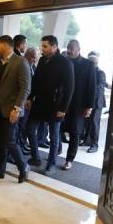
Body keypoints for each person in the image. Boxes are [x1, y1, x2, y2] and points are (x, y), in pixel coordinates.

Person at [0, 36, 31, 183]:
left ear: (5, 45)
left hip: (11, 110)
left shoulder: (21, 62)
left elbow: (25, 88)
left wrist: (17, 108)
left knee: (9, 141)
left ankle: (23, 166)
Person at [26, 35, 74, 175]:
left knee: (54, 137)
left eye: (45, 46)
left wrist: (63, 109)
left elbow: (70, 88)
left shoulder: (65, 63)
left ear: (54, 47)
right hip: (39, 103)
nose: (42, 49)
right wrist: (30, 97)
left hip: (55, 105)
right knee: (29, 129)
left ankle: (51, 164)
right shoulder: (42, 60)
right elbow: (36, 80)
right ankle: (36, 157)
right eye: (42, 46)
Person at [61, 40, 96, 170]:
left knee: (75, 133)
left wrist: (89, 106)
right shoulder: (64, 62)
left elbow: (92, 86)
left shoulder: (88, 64)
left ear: (79, 49)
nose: (69, 51)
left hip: (78, 104)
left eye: (72, 48)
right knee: (57, 129)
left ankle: (69, 159)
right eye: (68, 48)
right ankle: (56, 152)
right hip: (63, 102)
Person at [84, 52, 109, 153]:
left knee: (94, 123)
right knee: (87, 122)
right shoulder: (89, 71)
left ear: (93, 63)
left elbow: (98, 90)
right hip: (89, 101)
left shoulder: (100, 73)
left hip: (97, 102)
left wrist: (91, 104)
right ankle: (87, 141)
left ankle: (95, 144)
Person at [19, 47, 39, 154]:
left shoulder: (32, 66)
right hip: (23, 101)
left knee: (25, 125)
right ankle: (19, 147)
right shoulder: (22, 65)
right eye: (34, 57)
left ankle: (22, 145)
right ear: (28, 56)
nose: (35, 60)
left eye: (36, 57)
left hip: (29, 101)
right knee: (21, 126)